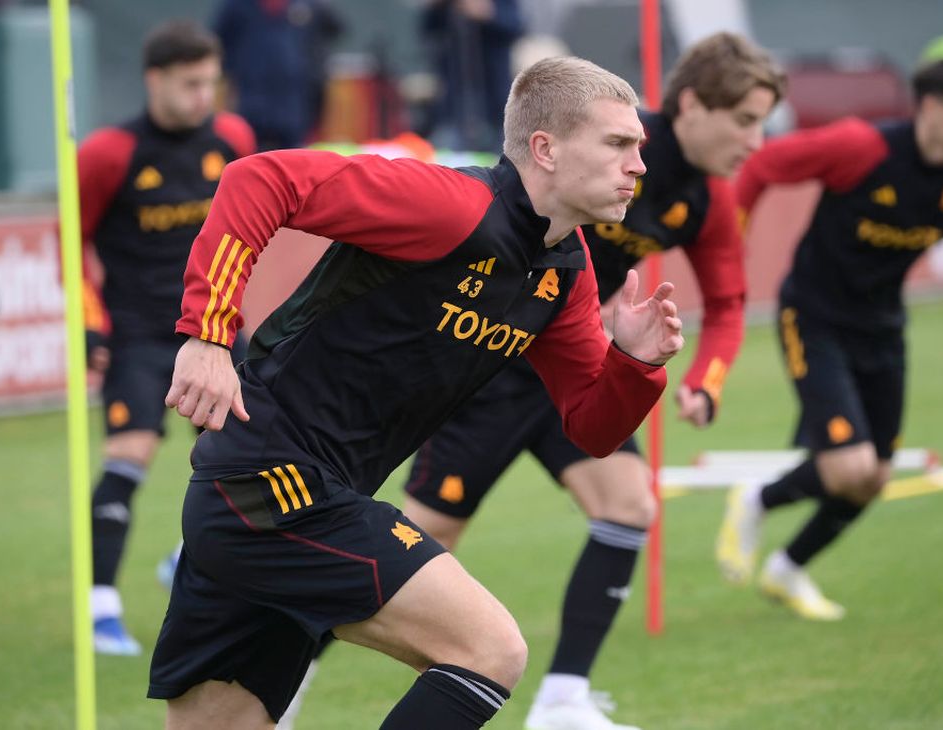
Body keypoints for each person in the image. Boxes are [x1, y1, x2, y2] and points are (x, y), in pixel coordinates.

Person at [147, 56, 684, 729]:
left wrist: (633, 363)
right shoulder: (450, 205)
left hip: (293, 497)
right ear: (544, 149)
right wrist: (206, 332)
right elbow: (262, 178)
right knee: (490, 649)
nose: (638, 164)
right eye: (618, 144)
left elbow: (592, 429)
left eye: (638, 146)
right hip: (270, 484)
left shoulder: (564, 273)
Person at [400, 32, 785, 730]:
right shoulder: (604, 138)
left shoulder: (704, 199)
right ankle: (290, 665)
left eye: (763, 122)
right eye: (744, 120)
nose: (755, 141)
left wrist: (708, 380)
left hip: (576, 367)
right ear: (693, 105)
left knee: (629, 504)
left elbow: (728, 304)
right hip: (493, 365)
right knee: (415, 545)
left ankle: (563, 701)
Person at [718, 58, 943, 621]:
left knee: (873, 478)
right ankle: (756, 498)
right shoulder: (863, 147)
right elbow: (763, 165)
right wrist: (729, 247)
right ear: (931, 108)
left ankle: (787, 569)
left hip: (882, 327)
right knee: (846, 468)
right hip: (813, 314)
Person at [77, 20, 255, 656]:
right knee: (130, 454)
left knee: (239, 457)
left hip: (212, 333)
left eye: (211, 82)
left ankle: (185, 557)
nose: (203, 96)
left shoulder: (232, 138)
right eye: (190, 83)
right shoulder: (107, 154)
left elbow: (253, 231)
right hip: (139, 337)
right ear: (154, 80)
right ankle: (101, 608)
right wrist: (89, 318)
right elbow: (70, 244)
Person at [214, 0, 342, 150]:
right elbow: (219, 44)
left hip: (294, 107)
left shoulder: (308, 5)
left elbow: (335, 28)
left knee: (292, 161)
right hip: (251, 103)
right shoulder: (236, 6)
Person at [421, 0, 526, 151]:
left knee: (499, 157)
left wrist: (488, 13)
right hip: (453, 101)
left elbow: (516, 26)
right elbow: (428, 31)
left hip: (493, 100)